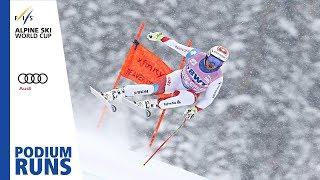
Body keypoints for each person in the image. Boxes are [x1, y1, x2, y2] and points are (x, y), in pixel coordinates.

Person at [102, 32, 229, 120]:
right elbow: (177, 46)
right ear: (208, 55)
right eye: (212, 59)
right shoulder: (195, 55)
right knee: (152, 89)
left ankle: (151, 104)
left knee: (178, 102)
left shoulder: (217, 77)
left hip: (190, 92)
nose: (213, 64)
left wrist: (195, 109)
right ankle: (117, 93)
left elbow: (209, 99)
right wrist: (161, 37)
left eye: (218, 63)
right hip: (178, 78)